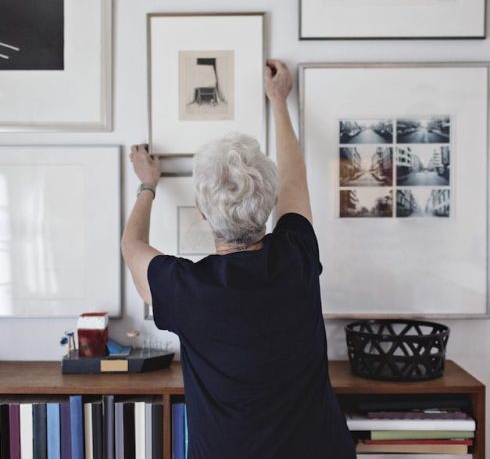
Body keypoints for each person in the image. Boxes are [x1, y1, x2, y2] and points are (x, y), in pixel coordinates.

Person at [121, 60, 356, 459]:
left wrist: (147, 184)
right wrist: (279, 101)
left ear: (201, 209)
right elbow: (295, 180)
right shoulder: (297, 255)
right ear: (268, 204)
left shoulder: (184, 289)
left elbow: (132, 246)